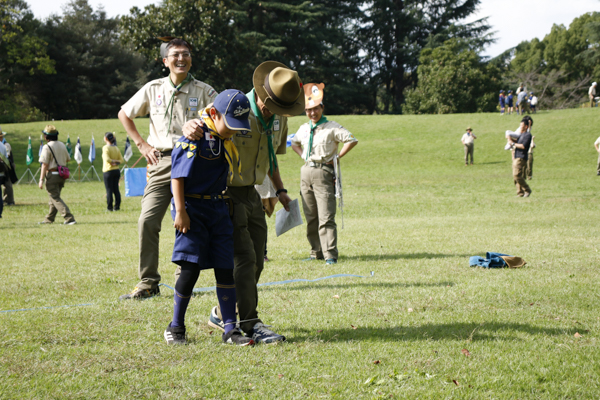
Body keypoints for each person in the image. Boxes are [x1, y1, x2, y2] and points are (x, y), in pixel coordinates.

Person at [183, 61, 302, 343]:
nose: (279, 112)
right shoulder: (235, 107)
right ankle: (250, 324)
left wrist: (280, 189)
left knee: (258, 257)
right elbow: (204, 122)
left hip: (253, 193)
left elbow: (270, 156)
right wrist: (191, 125)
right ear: (262, 93)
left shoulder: (278, 117)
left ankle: (224, 312)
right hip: (228, 194)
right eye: (275, 105)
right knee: (245, 259)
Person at [118, 38, 218, 300]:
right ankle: (148, 282)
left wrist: (203, 126)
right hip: (161, 161)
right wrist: (141, 145)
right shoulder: (153, 89)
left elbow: (222, 122)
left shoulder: (205, 91)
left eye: (186, 54)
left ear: (191, 59)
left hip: (194, 162)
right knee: (147, 220)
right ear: (165, 61)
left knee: (187, 221)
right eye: (175, 55)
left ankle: (183, 282)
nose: (181, 59)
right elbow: (124, 113)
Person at [165, 89, 254, 346]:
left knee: (226, 268)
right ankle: (175, 327)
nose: (234, 130)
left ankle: (229, 329)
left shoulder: (226, 138)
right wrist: (180, 211)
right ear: (214, 114)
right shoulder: (194, 136)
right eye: (230, 124)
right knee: (190, 268)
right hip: (192, 211)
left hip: (219, 210)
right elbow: (177, 176)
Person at [291, 82, 358, 264]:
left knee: (326, 215)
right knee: (310, 215)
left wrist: (337, 157)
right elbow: (294, 143)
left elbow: (351, 140)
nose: (312, 113)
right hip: (306, 172)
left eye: (315, 109)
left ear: (322, 107)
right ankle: (316, 252)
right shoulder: (304, 128)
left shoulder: (331, 126)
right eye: (308, 110)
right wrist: (303, 156)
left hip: (323, 171)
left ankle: (330, 254)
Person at [38, 125, 77, 224]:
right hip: (61, 175)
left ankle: (69, 218)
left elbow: (44, 164)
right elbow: (68, 158)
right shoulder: (62, 145)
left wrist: (41, 179)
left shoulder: (47, 147)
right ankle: (49, 219)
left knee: (55, 197)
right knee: (53, 198)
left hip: (52, 175)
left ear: (46, 136)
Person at [508, 117, 533, 197]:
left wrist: (512, 144)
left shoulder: (527, 135)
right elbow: (517, 142)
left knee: (517, 175)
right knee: (515, 176)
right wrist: (510, 138)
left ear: (526, 126)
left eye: (522, 126)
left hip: (521, 157)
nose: (520, 128)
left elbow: (522, 146)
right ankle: (520, 193)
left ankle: (527, 189)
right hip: (516, 156)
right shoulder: (521, 135)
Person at [102, 132, 125, 212]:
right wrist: (116, 162)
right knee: (116, 189)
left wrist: (112, 161)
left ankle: (110, 207)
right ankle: (117, 206)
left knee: (109, 190)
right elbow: (121, 160)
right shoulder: (116, 148)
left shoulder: (106, 148)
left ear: (106, 139)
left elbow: (107, 159)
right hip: (116, 170)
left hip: (108, 171)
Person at [0, 128, 15, 206]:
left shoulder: (6, 145)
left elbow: (6, 156)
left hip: (8, 166)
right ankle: (4, 200)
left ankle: (10, 200)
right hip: (2, 166)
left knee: (8, 184)